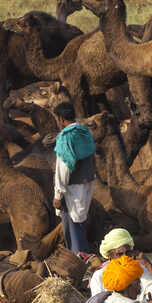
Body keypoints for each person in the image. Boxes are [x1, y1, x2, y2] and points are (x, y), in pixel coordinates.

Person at [53, 103, 95, 254]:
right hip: (87, 183)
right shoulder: (85, 132)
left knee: (72, 227)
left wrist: (58, 195)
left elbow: (63, 168)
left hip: (71, 188)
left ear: (60, 118)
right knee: (80, 221)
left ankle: (78, 259)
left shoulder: (65, 137)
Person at [87, 227, 152, 301]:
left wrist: (148, 265)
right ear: (110, 257)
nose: (125, 257)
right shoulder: (99, 276)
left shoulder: (139, 270)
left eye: (128, 253)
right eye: (120, 254)